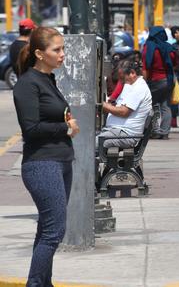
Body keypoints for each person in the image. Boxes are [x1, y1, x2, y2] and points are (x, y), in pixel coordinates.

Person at [13, 27, 80, 286]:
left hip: (61, 160)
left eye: (63, 49)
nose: (62, 54)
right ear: (40, 54)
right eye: (57, 50)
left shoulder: (48, 79)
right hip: (42, 163)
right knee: (55, 231)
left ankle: (43, 282)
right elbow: (30, 129)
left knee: (47, 229)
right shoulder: (27, 84)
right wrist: (65, 127)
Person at [98, 60, 152, 148]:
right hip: (118, 131)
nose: (121, 81)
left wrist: (104, 105)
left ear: (132, 73)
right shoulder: (131, 85)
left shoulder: (139, 88)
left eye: (122, 78)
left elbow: (124, 112)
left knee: (91, 144)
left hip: (125, 134)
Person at [142, 26, 176, 139]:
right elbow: (174, 63)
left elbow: (146, 66)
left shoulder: (149, 47)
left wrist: (144, 82)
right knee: (166, 106)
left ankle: (154, 130)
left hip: (155, 80)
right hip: (169, 80)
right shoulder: (169, 47)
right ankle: (165, 132)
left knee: (150, 105)